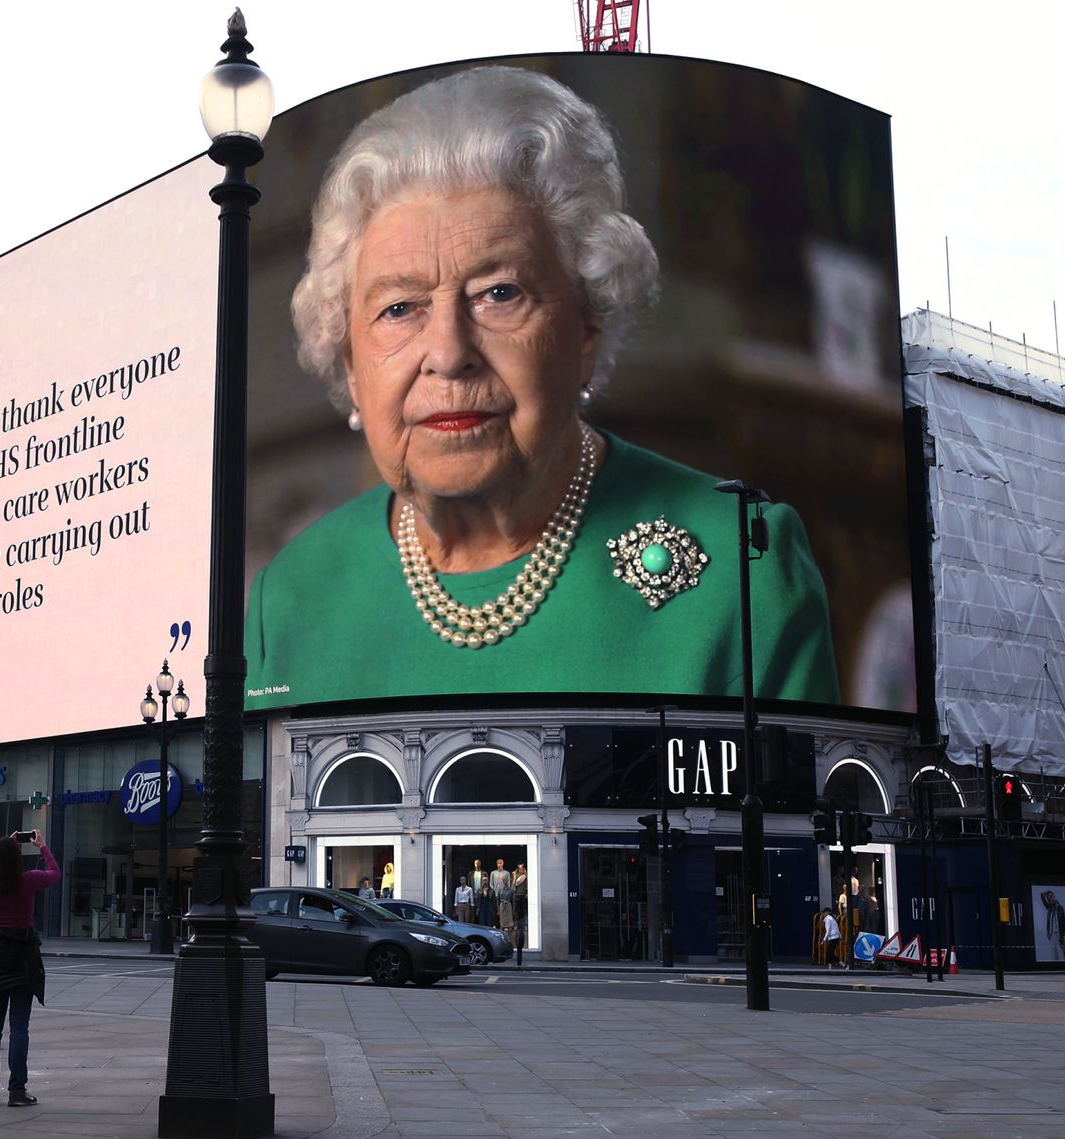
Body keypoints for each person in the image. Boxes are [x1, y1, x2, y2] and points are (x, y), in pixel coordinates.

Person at [244, 65, 838, 707]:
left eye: (499, 294)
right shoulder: (291, 596)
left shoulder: (745, 566)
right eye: (399, 308)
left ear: (585, 327)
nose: (448, 354)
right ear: (352, 366)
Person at [0, 830, 58, 1107]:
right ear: (18, 858)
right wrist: (42, 846)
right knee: (19, 1027)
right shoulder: (28, 881)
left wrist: (7, 844)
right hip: (23, 959)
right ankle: (17, 1091)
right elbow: (55, 873)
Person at [1039, 890, 1065, 962]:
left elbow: (1064, 925)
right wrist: (1046, 893)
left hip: (1059, 936)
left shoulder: (1060, 908)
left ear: (1054, 897)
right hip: (1051, 936)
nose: (1051, 899)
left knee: (1062, 958)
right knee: (1054, 958)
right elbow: (1042, 896)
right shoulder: (1049, 908)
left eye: (1052, 896)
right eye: (1049, 898)